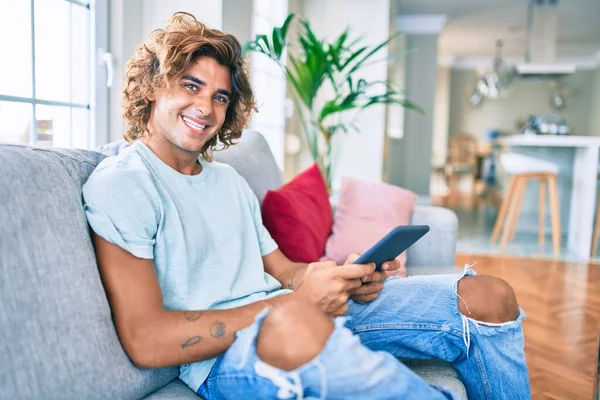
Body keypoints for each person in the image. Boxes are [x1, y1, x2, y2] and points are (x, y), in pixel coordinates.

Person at [82, 12, 531, 400]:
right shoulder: (124, 184)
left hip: (294, 314)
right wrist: (295, 305)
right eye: (190, 85)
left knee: (488, 295)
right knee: (297, 322)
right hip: (230, 358)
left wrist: (339, 277)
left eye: (220, 96)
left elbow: (286, 272)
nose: (206, 106)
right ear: (152, 87)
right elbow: (146, 340)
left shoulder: (227, 180)